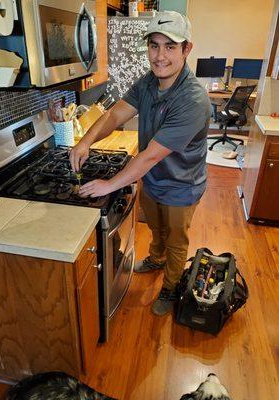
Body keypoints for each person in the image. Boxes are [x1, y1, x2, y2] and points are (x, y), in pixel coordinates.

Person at [69, 11, 211, 316]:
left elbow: (150, 155)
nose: (159, 56)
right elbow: (115, 114)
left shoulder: (193, 100)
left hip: (181, 185)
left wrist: (109, 184)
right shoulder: (148, 82)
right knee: (157, 229)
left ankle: (172, 287)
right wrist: (85, 140)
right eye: (154, 45)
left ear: (187, 49)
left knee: (175, 240)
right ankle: (156, 259)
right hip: (154, 178)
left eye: (170, 47)